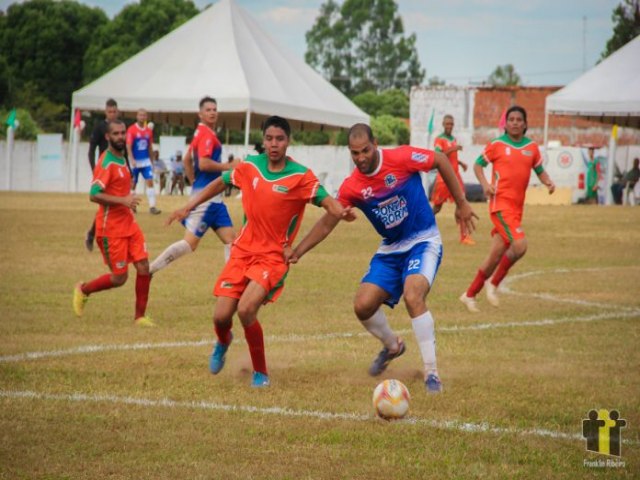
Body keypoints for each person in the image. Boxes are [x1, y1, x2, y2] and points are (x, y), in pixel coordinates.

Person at [286, 123, 478, 394]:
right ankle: (393, 346)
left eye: (365, 150)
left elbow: (441, 160)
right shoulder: (352, 186)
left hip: (423, 240)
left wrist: (462, 202)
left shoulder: (400, 158)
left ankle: (432, 374)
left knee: (414, 296)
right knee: (362, 305)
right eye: (355, 153)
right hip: (391, 249)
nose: (361, 158)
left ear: (375, 143)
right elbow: (328, 222)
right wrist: (298, 250)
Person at [167, 116, 352, 387]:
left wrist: (341, 211)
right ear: (263, 141)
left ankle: (260, 373)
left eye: (279, 139)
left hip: (272, 257)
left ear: (288, 142)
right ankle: (223, 340)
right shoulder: (251, 166)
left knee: (246, 309)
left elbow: (329, 205)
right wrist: (190, 205)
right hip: (242, 251)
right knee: (220, 316)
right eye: (269, 139)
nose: (274, 144)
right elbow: (221, 182)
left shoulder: (300, 176)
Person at [459, 105, 555, 313]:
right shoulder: (497, 145)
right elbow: (477, 165)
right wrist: (485, 185)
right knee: (520, 245)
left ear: (525, 124)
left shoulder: (532, 147)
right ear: (506, 123)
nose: (515, 122)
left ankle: (469, 295)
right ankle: (493, 284)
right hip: (500, 205)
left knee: (494, 257)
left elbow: (540, 170)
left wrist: (548, 182)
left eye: (519, 119)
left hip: (516, 209)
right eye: (511, 119)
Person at [73, 119, 155, 327]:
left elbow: (119, 189)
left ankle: (139, 317)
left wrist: (128, 202)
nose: (120, 137)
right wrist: (124, 201)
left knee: (144, 266)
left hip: (129, 223)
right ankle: (83, 290)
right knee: (120, 278)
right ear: (107, 137)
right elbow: (94, 195)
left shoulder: (122, 157)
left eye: (122, 133)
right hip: (111, 229)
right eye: (116, 134)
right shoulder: (106, 162)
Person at [150, 97, 237, 274]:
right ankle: (150, 270)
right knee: (190, 244)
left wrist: (193, 181)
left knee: (232, 242)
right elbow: (204, 163)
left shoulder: (201, 133)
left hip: (214, 198)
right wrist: (228, 166)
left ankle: (231, 285)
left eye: (214, 109)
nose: (212, 112)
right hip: (207, 199)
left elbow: (186, 159)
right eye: (208, 110)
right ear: (200, 114)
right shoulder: (206, 135)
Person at [431, 114, 475, 245]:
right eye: (447, 124)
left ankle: (464, 236)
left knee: (461, 204)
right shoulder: (440, 140)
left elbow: (451, 158)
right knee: (437, 207)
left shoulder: (453, 139)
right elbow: (439, 156)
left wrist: (460, 163)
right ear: (443, 125)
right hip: (444, 178)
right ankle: (417, 226)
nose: (449, 126)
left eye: (451, 124)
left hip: (456, 176)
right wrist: (453, 149)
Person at [85, 98, 119, 251]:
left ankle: (95, 234)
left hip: (116, 171)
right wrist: (94, 170)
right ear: (106, 112)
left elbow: (124, 150)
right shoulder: (100, 127)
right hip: (104, 171)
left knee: (111, 204)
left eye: (114, 111)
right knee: (104, 203)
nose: (112, 114)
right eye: (109, 111)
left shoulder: (119, 128)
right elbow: (91, 149)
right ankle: (94, 234)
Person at [127, 108, 161, 214]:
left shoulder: (148, 131)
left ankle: (152, 207)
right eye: (140, 115)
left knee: (150, 182)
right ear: (137, 116)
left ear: (146, 117)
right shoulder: (132, 129)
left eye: (144, 115)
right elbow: (128, 146)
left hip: (146, 161)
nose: (142, 117)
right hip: (135, 161)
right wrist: (131, 159)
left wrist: (152, 161)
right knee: (133, 183)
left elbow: (150, 147)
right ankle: (131, 206)